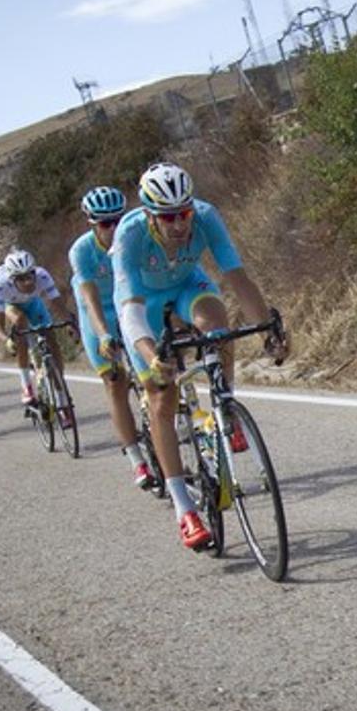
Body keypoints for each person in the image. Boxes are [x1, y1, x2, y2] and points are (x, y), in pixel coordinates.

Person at [113, 162, 289, 550]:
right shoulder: (129, 235)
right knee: (161, 396)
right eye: (169, 217)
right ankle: (184, 510)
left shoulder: (206, 217)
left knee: (217, 326)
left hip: (189, 285)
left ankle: (223, 405)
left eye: (184, 214)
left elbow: (236, 277)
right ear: (149, 216)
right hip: (143, 299)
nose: (179, 224)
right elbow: (130, 311)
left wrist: (266, 331)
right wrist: (150, 355)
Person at [69, 186, 155, 490]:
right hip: (98, 312)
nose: (115, 228)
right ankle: (137, 460)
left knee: (154, 373)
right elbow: (90, 299)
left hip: (128, 302)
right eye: (106, 224)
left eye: (119, 219)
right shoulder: (81, 251)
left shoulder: (135, 237)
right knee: (115, 382)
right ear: (92, 224)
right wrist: (104, 334)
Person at [0, 249, 77, 410]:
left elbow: (58, 305)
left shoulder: (42, 275)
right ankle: (26, 385)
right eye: (21, 279)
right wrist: (7, 340)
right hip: (11, 305)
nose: (28, 282)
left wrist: (69, 323)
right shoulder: (0, 285)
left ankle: (60, 386)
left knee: (50, 336)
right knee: (20, 324)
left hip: (33, 303)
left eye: (30, 276)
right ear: (11, 278)